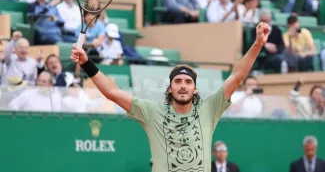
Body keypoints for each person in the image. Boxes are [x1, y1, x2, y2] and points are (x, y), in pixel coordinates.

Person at [70, 22, 271, 172]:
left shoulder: (209, 108)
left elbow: (237, 76)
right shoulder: (151, 111)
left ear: (195, 89)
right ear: (169, 88)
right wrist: (87, 63)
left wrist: (258, 44)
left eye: (188, 82)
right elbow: (112, 93)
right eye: (178, 82)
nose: (183, 86)